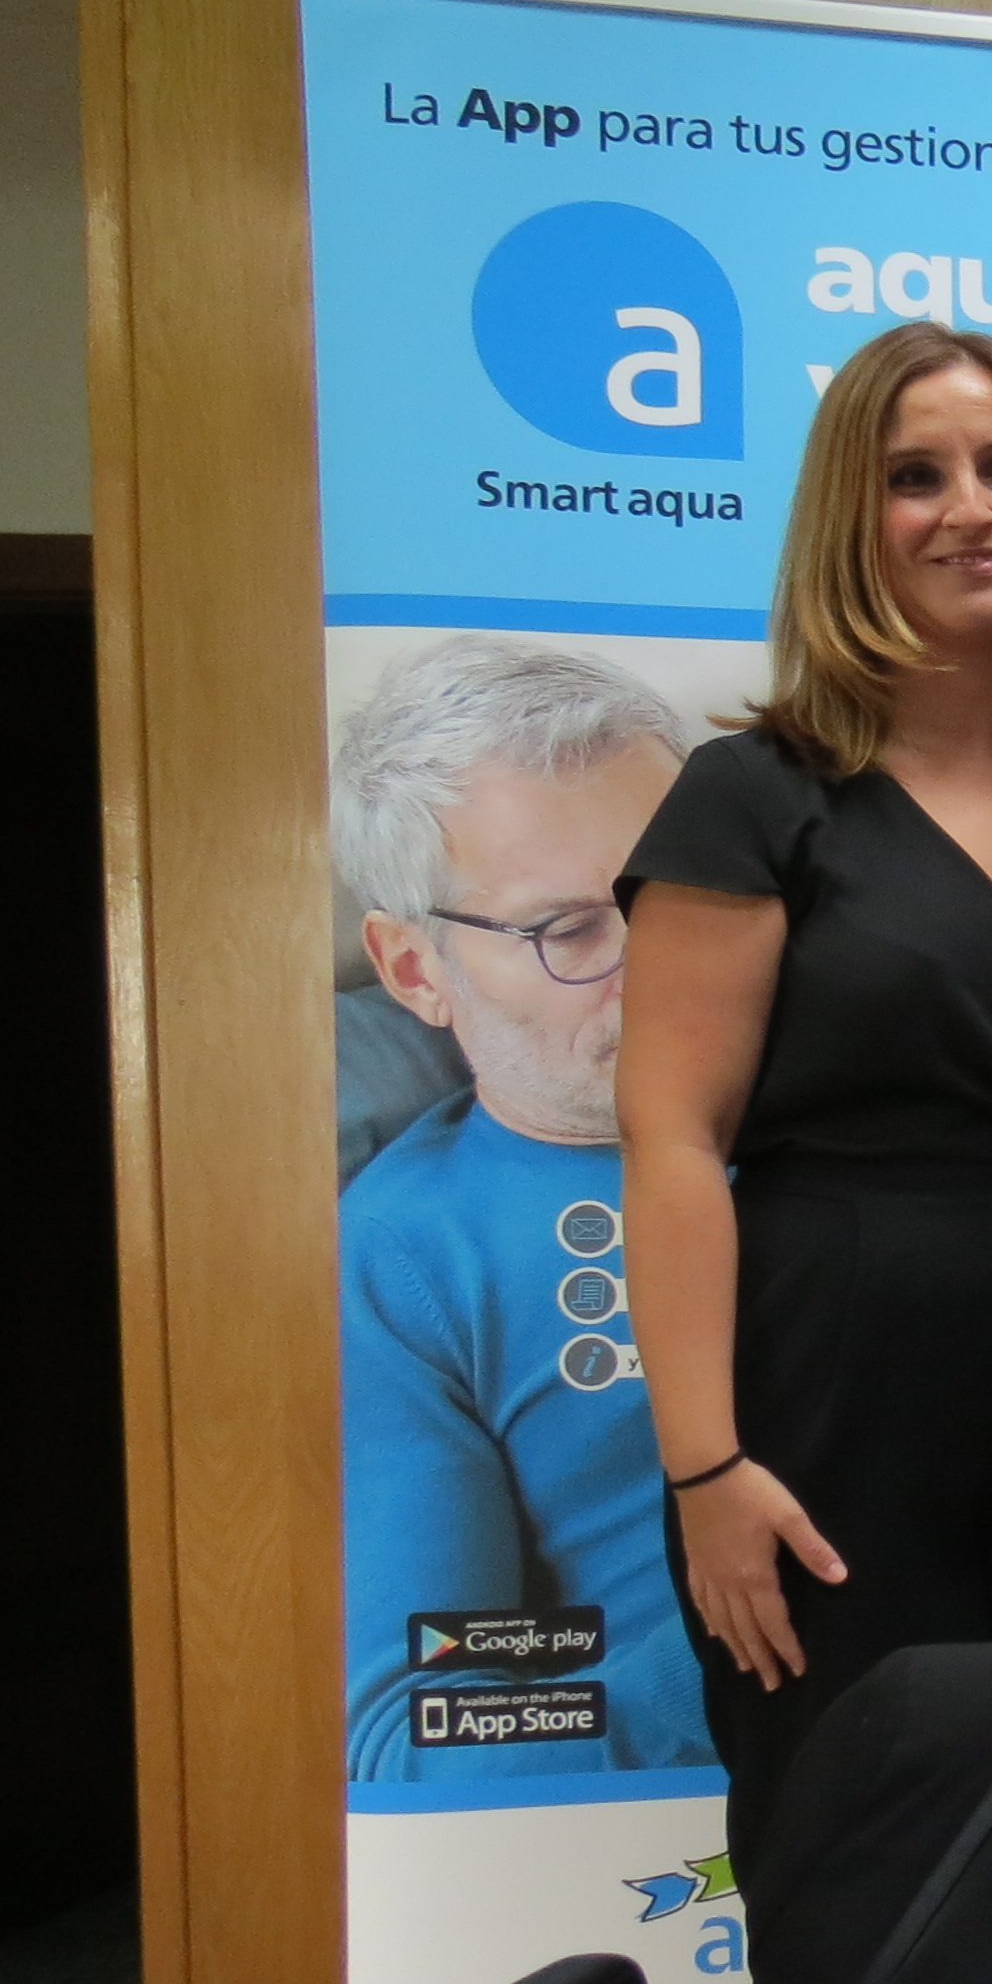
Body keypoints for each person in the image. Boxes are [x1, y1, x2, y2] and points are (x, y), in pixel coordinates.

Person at [618, 322, 992, 1878]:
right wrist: (703, 1469)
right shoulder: (753, 798)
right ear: (852, 518)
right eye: (916, 477)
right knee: (855, 1847)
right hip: (834, 1402)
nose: (973, 509)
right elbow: (671, 1140)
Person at [334, 637, 702, 1780]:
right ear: (415, 971)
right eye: (569, 931)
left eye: (680, 895)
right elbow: (422, 1728)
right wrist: (754, 1656)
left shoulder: (910, 1114)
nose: (661, 967)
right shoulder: (409, 1259)